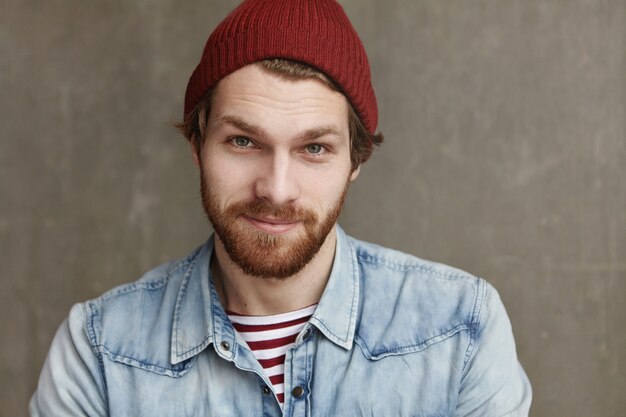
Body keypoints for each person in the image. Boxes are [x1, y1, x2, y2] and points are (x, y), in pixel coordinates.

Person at [30, 0, 532, 415]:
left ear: (355, 160)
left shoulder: (460, 331)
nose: (276, 188)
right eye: (244, 141)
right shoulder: (99, 351)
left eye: (315, 148)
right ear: (197, 145)